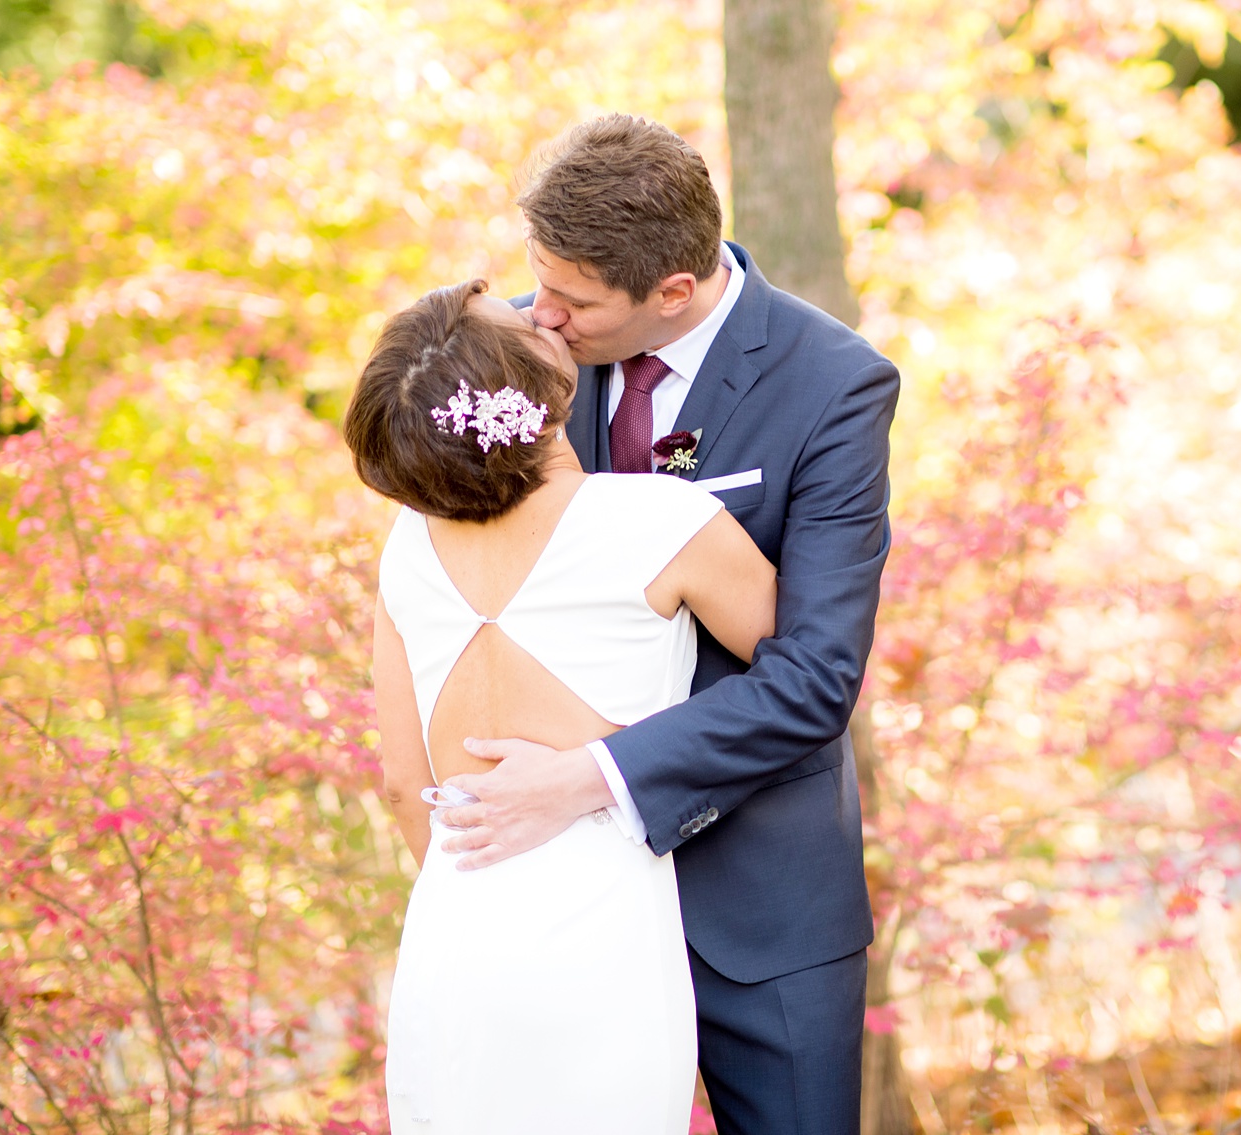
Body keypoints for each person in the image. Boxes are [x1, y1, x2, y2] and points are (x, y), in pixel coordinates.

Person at [436, 115, 901, 1133]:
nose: (541, 317)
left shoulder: (832, 386)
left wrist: (586, 780)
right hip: (550, 888)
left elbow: (814, 679)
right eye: (537, 281)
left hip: (760, 900)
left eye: (574, 300)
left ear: (672, 291)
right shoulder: (518, 351)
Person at [344, 277, 778, 1132]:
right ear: (521, 392)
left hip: (453, 930)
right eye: (517, 317)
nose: (539, 309)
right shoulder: (663, 519)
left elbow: (403, 783)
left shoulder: (405, 548)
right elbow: (798, 672)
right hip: (601, 930)